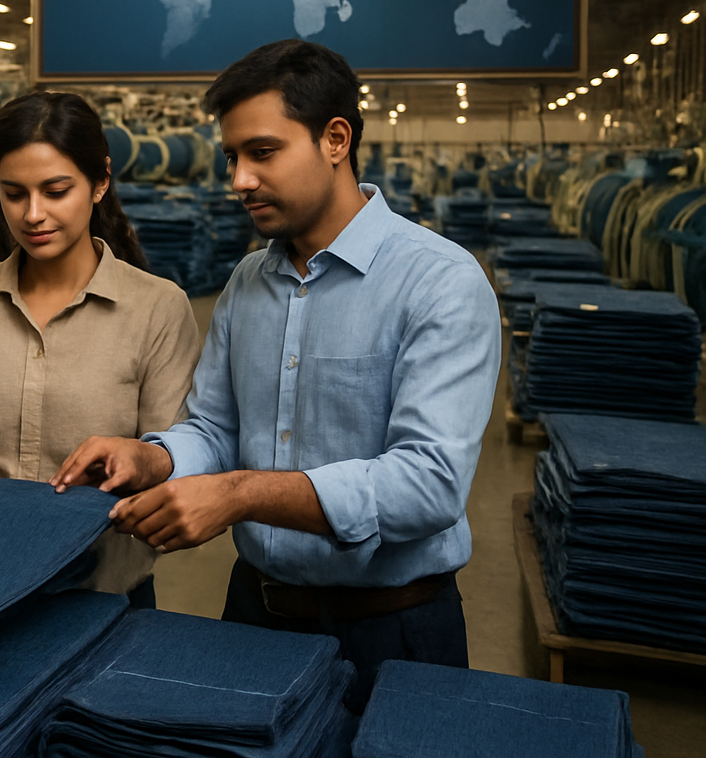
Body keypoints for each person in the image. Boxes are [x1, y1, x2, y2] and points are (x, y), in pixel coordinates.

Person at [53, 39, 501, 708]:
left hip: (392, 631)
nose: (239, 180)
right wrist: (150, 459)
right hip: (256, 615)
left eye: (262, 152)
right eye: (232, 157)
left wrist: (240, 495)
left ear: (336, 139)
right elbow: (214, 427)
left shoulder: (438, 282)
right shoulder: (247, 283)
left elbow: (429, 484)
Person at [0, 91, 200, 606]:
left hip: (104, 589)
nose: (33, 214)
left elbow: (170, 459)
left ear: (100, 182)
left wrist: (137, 464)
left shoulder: (158, 307)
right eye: (14, 193)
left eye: (56, 190)